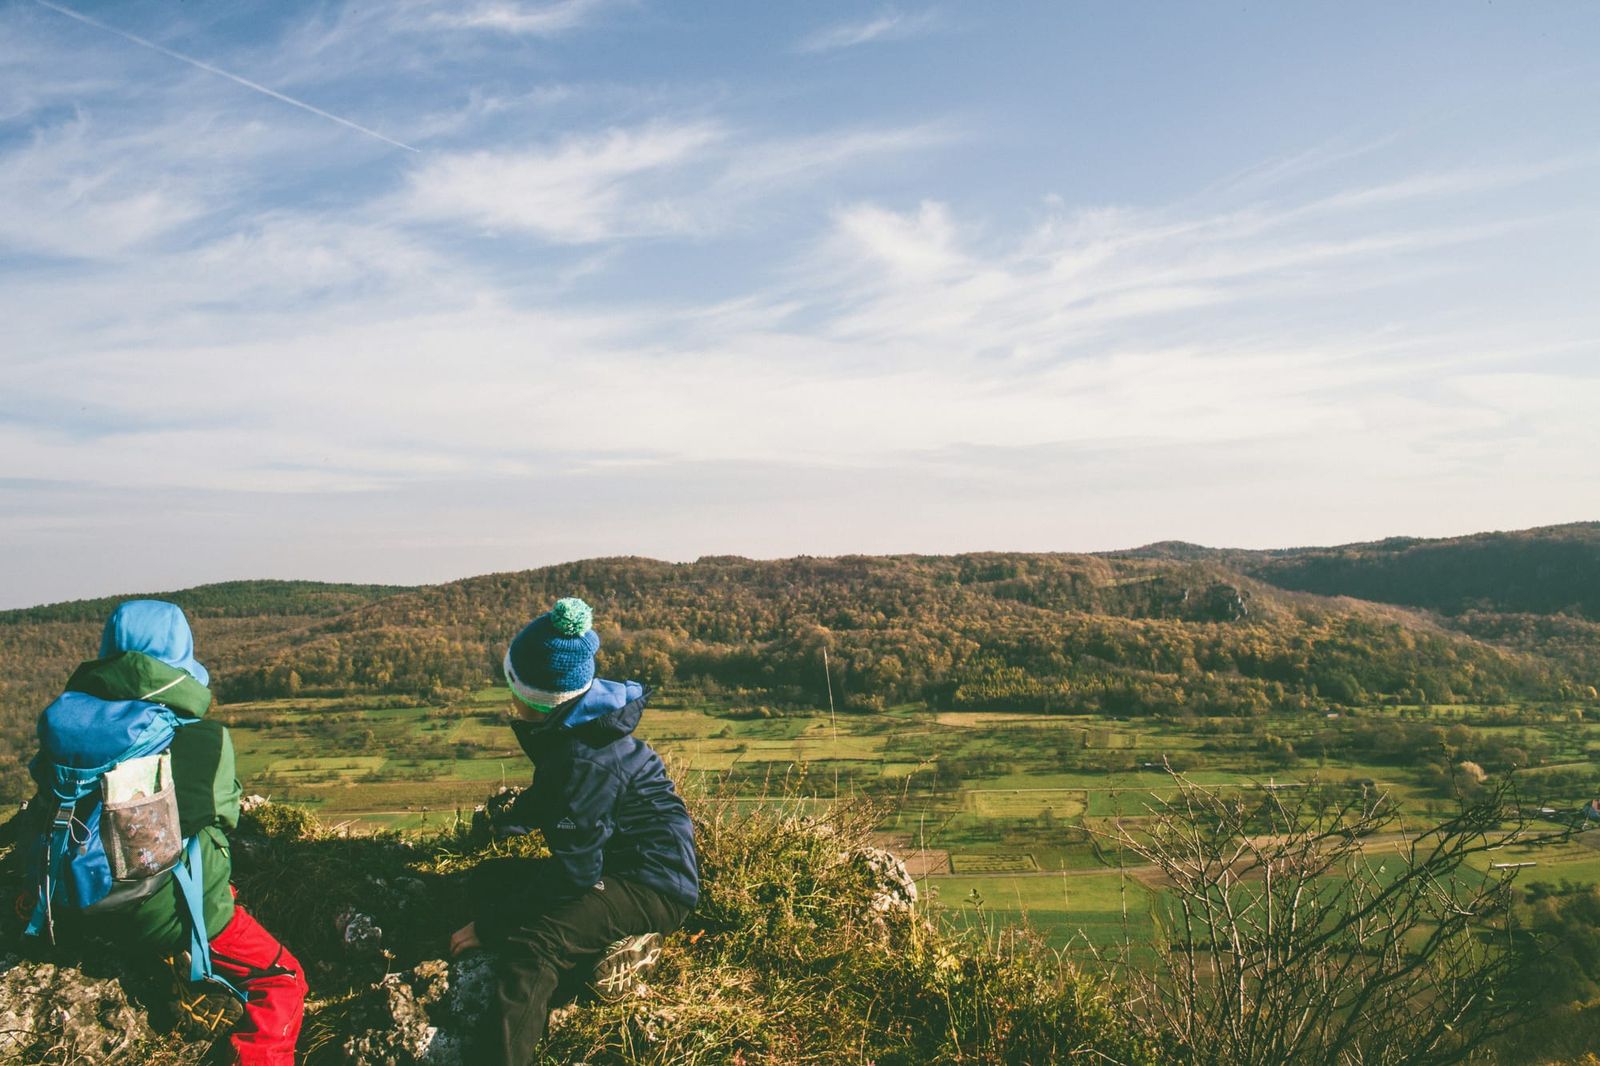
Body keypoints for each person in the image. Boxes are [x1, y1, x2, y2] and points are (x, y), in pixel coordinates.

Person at [22, 600, 307, 1066]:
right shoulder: (201, 737)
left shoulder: (62, 732)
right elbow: (218, 817)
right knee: (284, 979)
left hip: (65, 904)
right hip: (157, 916)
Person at [452, 597, 699, 1066]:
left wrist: (492, 926)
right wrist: (512, 820)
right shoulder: (577, 719)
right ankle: (610, 955)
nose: (509, 701)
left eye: (514, 690)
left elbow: (575, 873)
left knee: (532, 948)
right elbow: (559, 797)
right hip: (614, 862)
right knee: (488, 880)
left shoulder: (585, 760)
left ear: (536, 699)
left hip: (653, 884)